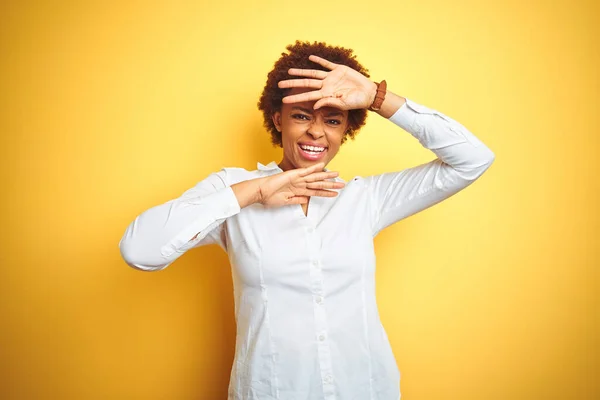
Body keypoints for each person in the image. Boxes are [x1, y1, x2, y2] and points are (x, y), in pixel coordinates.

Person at [119, 40, 495, 400]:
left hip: (365, 389)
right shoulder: (233, 191)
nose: (317, 131)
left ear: (346, 129)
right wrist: (255, 192)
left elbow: (473, 159)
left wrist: (378, 98)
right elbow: (139, 250)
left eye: (332, 120)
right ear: (277, 119)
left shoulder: (365, 200)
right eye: (301, 116)